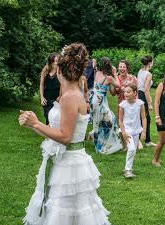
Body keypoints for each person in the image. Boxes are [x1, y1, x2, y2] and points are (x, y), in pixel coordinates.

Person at [19, 43, 110, 225]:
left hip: (68, 166)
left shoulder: (71, 97)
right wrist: (32, 125)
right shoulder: (69, 94)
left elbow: (65, 136)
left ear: (60, 70)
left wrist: (37, 122)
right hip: (60, 159)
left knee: (63, 213)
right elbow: (55, 133)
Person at [90, 57, 123, 154]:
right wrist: (115, 73)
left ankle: (98, 140)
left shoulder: (97, 73)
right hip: (100, 102)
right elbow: (118, 85)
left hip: (93, 100)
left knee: (97, 122)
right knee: (111, 121)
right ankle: (105, 145)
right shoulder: (109, 78)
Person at [118, 84, 147, 178]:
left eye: (128, 91)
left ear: (135, 93)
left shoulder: (140, 104)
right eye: (125, 92)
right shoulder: (122, 105)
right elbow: (120, 120)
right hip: (127, 131)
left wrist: (144, 131)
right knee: (131, 149)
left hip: (136, 130)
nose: (125, 93)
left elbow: (143, 118)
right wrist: (123, 133)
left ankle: (128, 168)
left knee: (133, 150)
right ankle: (127, 170)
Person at [137, 55, 157, 147]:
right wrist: (149, 104)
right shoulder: (148, 74)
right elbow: (146, 90)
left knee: (143, 118)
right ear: (150, 63)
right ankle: (145, 140)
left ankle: (145, 139)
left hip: (138, 95)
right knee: (145, 118)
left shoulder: (140, 71)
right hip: (142, 96)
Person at [39, 52, 61, 125]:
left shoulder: (61, 72)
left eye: (57, 61)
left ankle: (53, 134)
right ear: (50, 61)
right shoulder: (45, 70)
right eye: (53, 61)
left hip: (57, 98)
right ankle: (49, 134)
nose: (55, 63)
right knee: (47, 115)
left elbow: (63, 85)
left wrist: (60, 96)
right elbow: (41, 84)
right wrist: (42, 97)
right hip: (47, 97)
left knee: (56, 117)